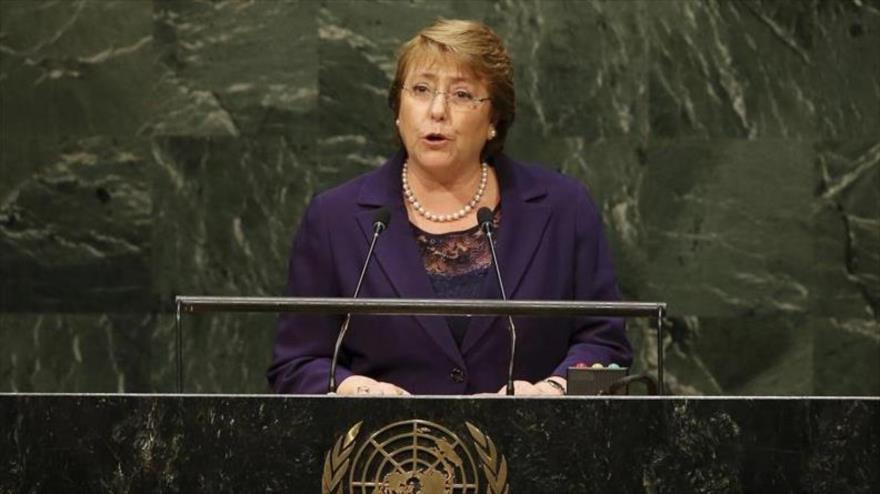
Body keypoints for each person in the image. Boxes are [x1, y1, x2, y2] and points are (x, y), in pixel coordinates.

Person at [268, 19, 632, 396]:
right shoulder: (335, 219)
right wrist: (349, 387)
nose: (437, 110)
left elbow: (609, 352)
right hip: (387, 450)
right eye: (422, 89)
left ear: (493, 120)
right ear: (398, 109)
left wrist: (554, 391)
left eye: (461, 94)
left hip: (534, 446)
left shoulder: (563, 209)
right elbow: (294, 365)